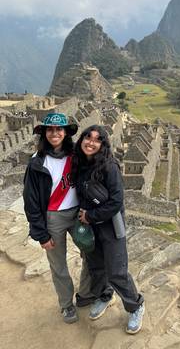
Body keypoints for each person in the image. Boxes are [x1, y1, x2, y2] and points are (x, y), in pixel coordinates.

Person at [23, 113, 113, 324]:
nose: (55, 133)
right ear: (45, 133)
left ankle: (85, 294)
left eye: (59, 129)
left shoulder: (76, 156)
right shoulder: (37, 163)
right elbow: (31, 200)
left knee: (90, 254)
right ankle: (66, 305)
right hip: (52, 217)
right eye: (50, 130)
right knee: (58, 265)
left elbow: (99, 166)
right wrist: (40, 233)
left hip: (77, 214)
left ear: (65, 133)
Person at [71, 125, 144, 335]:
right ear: (82, 139)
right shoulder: (79, 164)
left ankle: (136, 305)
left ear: (103, 145)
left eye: (97, 140)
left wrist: (90, 215)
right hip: (90, 227)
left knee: (116, 271)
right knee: (96, 267)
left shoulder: (110, 167)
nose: (91, 142)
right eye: (88, 137)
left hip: (110, 227)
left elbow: (116, 202)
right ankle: (105, 295)